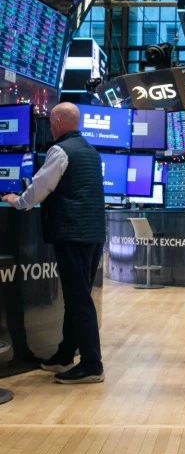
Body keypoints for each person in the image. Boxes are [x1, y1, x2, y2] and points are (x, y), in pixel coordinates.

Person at [2, 102, 105, 384]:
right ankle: (64, 354)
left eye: (50, 120)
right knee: (76, 297)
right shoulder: (90, 150)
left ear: (58, 121)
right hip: (92, 234)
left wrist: (17, 201)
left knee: (78, 300)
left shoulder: (60, 150)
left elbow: (40, 187)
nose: (49, 125)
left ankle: (92, 365)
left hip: (72, 233)